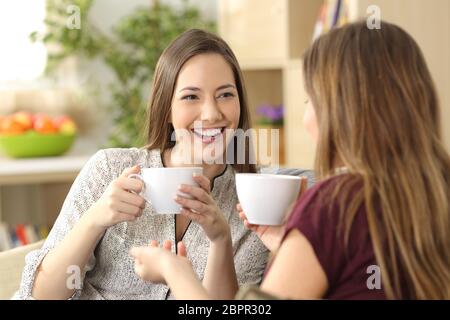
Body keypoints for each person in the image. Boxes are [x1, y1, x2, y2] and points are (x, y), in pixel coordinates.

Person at [130, 21, 450, 300]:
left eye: (310, 99)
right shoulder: (438, 188)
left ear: (342, 110)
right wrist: (296, 244)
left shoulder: (337, 204)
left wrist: (175, 272)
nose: (306, 116)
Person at [14, 29, 269, 300]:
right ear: (167, 108)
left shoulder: (253, 204)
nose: (211, 113)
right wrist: (96, 218)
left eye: (225, 95)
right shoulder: (109, 169)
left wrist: (220, 241)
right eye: (191, 97)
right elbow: (41, 294)